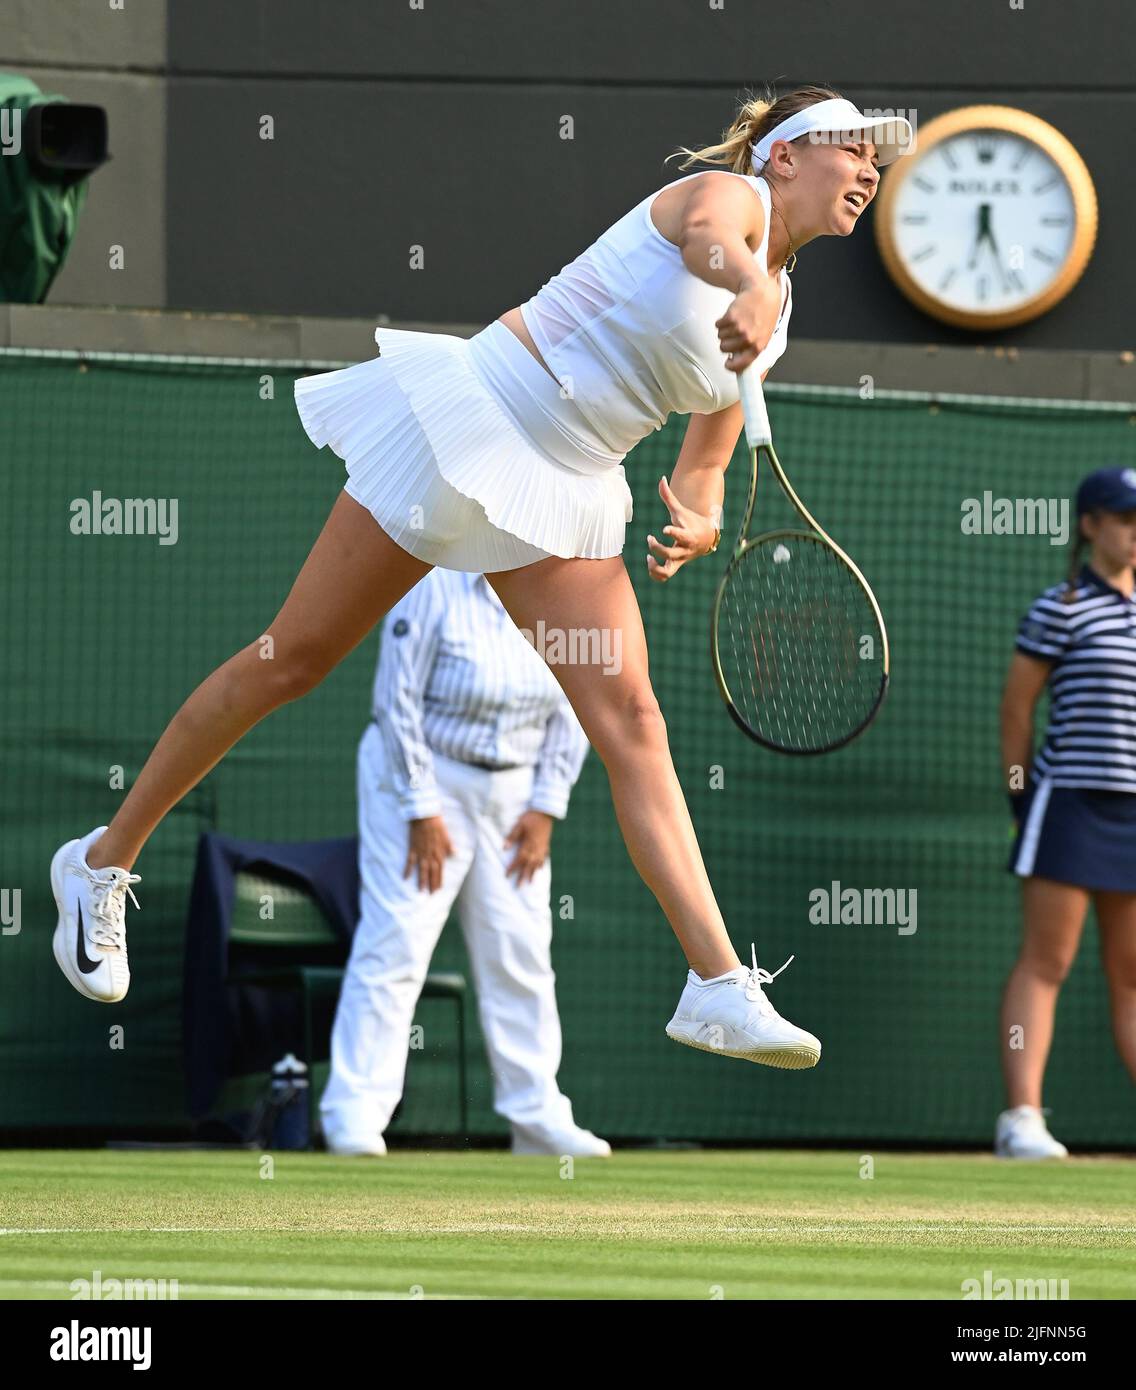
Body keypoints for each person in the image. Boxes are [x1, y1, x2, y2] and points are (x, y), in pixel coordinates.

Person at [50, 85, 911, 1070]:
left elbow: (701, 462)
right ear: (786, 156)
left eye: (878, 161)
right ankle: (101, 859)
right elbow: (712, 242)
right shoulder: (727, 200)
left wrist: (699, 516)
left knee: (633, 725)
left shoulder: (781, 309)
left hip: (570, 490)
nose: (871, 171)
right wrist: (743, 283)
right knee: (291, 661)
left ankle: (715, 984)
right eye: (854, 151)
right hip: (480, 418)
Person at [323, 567, 608, 1158]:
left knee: (522, 951)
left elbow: (580, 701)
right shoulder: (432, 583)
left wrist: (546, 804)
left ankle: (535, 1118)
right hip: (418, 781)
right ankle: (353, 1111)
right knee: (397, 940)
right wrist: (422, 809)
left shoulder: (563, 592)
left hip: (517, 795)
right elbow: (394, 696)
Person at [998, 467, 1136, 1158]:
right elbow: (1018, 708)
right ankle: (1022, 1118)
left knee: (1132, 970)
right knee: (1048, 960)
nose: (1134, 532)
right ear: (1091, 525)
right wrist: (1021, 796)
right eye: (1124, 517)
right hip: (1069, 806)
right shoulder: (1061, 607)